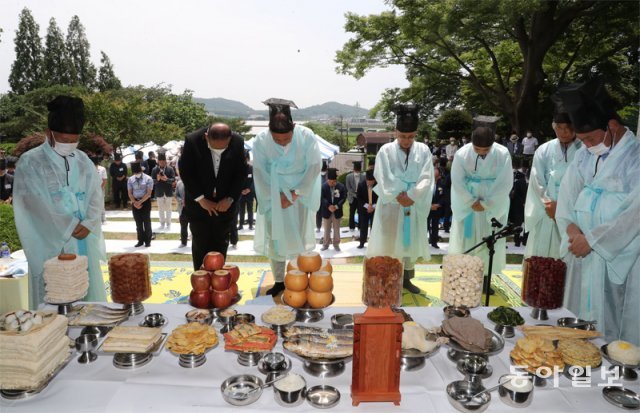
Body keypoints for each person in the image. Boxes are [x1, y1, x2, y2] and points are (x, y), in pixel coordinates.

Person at [555, 78, 639, 344]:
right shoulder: (584, 155)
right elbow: (567, 198)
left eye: (591, 139)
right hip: (582, 251)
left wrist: (593, 240)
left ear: (612, 127)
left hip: (617, 258)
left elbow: (634, 213)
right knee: (578, 321)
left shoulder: (636, 158)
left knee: (614, 326)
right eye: (583, 141)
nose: (588, 146)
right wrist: (571, 229)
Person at [13, 95, 107, 309]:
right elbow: (33, 204)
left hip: (83, 239)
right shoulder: (31, 162)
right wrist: (69, 225)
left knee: (88, 297)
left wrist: (91, 221)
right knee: (55, 300)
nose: (69, 145)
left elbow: (95, 194)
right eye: (64, 140)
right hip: (51, 243)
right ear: (49, 133)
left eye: (74, 140)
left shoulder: (83, 160)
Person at [253, 98, 322, 296]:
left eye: (286, 138)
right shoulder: (261, 140)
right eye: (277, 139)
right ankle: (279, 280)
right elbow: (259, 171)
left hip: (299, 197)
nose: (282, 142)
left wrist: (294, 193)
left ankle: (298, 277)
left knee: (297, 238)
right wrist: (275, 197)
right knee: (275, 239)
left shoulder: (306, 136)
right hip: (274, 198)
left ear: (293, 127)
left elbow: (314, 166)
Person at [366, 104, 434, 294]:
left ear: (416, 134)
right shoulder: (385, 150)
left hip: (412, 203)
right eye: (403, 136)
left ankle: (407, 279)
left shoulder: (424, 150)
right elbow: (382, 175)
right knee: (389, 239)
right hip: (391, 203)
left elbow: (427, 176)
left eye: (411, 136)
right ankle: (387, 276)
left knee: (409, 240)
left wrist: (412, 196)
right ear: (396, 132)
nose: (406, 140)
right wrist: (399, 195)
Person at [449, 116, 513, 293]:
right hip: (468, 204)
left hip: (491, 204)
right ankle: (464, 277)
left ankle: (485, 279)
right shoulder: (462, 153)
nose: (482, 152)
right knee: (466, 240)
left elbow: (505, 182)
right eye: (477, 149)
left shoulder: (502, 153)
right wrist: (471, 201)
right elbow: (457, 181)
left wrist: (486, 203)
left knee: (488, 241)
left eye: (486, 149)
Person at [179, 123, 246, 270]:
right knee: (200, 241)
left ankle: (219, 281)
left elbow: (241, 173)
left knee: (221, 241)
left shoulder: (238, 141)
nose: (219, 151)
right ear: (206, 137)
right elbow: (186, 172)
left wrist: (230, 198)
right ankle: (201, 279)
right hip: (198, 204)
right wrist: (201, 199)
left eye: (224, 148)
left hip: (225, 204)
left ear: (230, 139)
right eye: (215, 148)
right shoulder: (192, 140)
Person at [524, 111, 581, 258]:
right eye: (560, 127)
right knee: (542, 258)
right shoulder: (544, 150)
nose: (564, 131)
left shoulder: (585, 150)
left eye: (569, 127)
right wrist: (548, 203)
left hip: (573, 212)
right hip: (547, 211)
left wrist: (562, 208)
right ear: (553, 127)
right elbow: (537, 179)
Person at [127, 162, 153, 247]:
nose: (136, 174)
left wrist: (140, 201)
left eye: (138, 172)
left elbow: (149, 193)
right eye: (135, 173)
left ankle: (148, 241)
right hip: (135, 202)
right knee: (138, 223)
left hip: (145, 202)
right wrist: (134, 202)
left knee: (147, 222)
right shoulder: (130, 179)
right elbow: (130, 193)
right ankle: (140, 240)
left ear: (141, 170)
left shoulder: (148, 178)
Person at [320, 168, 346, 251]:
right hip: (327, 211)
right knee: (326, 229)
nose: (332, 183)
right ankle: (325, 244)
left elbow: (343, 198)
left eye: (334, 182)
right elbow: (322, 198)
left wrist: (336, 206)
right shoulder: (324, 186)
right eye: (330, 182)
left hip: (337, 211)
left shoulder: (340, 186)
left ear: (336, 180)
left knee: (336, 228)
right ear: (328, 179)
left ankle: (336, 244)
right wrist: (328, 206)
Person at [151, 153, 176, 230]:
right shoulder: (154, 169)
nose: (162, 162)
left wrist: (167, 179)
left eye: (163, 161)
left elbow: (173, 179)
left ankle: (168, 223)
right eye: (160, 161)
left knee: (168, 208)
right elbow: (152, 181)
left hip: (168, 191)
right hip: (159, 191)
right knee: (160, 208)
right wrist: (158, 179)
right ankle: (162, 223)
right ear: (158, 161)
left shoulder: (170, 169)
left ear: (165, 161)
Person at [356, 169, 377, 249]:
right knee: (363, 226)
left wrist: (373, 207)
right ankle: (362, 242)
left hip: (374, 209)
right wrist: (367, 206)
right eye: (368, 181)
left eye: (371, 182)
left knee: (373, 226)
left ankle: (373, 242)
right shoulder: (361, 185)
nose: (370, 183)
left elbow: (379, 198)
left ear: (374, 180)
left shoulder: (377, 185)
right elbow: (359, 198)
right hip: (364, 209)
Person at [508, 163, 527, 247]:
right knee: (522, 224)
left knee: (518, 224)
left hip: (517, 206)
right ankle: (523, 241)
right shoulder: (522, 182)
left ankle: (517, 241)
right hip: (521, 205)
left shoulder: (516, 182)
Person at [237, 150, 255, 231]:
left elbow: (254, 181)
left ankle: (251, 224)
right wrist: (240, 190)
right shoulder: (238, 170)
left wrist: (249, 189)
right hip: (241, 194)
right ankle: (240, 225)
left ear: (248, 159)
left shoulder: (252, 169)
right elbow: (236, 181)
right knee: (241, 210)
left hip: (249, 193)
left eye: (245, 159)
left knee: (250, 209)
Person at [428, 167, 445, 249]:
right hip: (427, 207)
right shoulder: (426, 184)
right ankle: (424, 242)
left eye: (437, 174)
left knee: (435, 226)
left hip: (436, 208)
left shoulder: (441, 184)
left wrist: (437, 205)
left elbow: (444, 196)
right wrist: (429, 205)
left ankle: (434, 242)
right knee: (425, 226)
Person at [345, 161, 362, 233]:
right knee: (351, 212)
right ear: (353, 169)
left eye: (358, 170)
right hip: (352, 197)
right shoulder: (348, 176)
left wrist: (360, 195)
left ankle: (360, 226)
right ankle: (351, 226)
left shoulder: (364, 176)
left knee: (360, 212)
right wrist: (355, 195)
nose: (357, 172)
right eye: (356, 170)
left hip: (361, 197)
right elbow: (348, 188)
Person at [174, 175, 189, 248]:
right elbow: (176, 195)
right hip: (182, 208)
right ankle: (183, 242)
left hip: (193, 208)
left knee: (195, 226)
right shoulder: (179, 183)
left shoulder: (195, 182)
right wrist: (181, 201)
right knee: (183, 226)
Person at [92, 156, 107, 223]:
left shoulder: (102, 169)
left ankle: (103, 219)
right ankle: (94, 219)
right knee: (92, 204)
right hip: (91, 190)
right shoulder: (89, 169)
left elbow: (104, 180)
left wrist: (100, 188)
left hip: (100, 189)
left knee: (101, 204)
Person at [316, 160, 328, 233]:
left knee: (327, 212)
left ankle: (327, 227)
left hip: (326, 197)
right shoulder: (317, 176)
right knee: (319, 213)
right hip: (319, 197)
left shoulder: (328, 175)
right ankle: (318, 227)